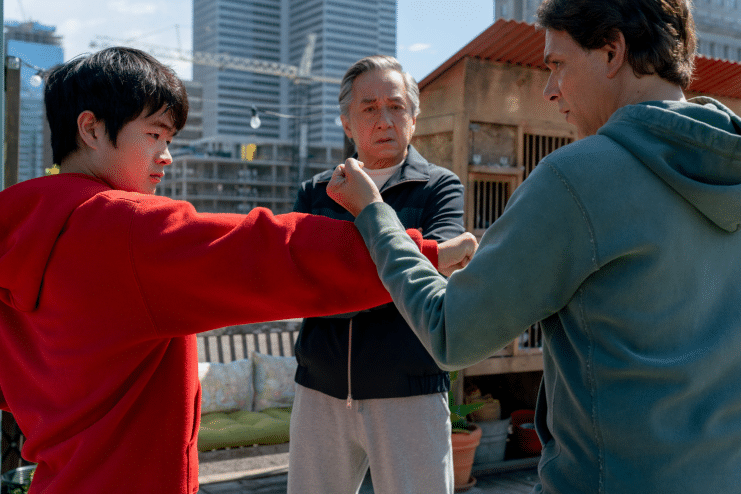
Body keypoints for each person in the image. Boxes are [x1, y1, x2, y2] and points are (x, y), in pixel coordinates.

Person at [0, 47, 476, 494]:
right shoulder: (126, 228)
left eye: (169, 139)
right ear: (91, 129)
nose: (166, 156)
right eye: (154, 135)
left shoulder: (15, 231)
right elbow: (274, 253)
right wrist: (424, 252)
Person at [326, 0, 741, 492]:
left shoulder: (579, 177)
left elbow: (452, 331)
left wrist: (375, 215)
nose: (549, 90)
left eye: (557, 64)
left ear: (612, 52)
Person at [286, 55, 465, 494]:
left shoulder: (440, 188)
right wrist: (411, 262)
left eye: (396, 106)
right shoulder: (316, 192)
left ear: (414, 119)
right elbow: (303, 282)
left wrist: (342, 273)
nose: (384, 119)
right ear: (347, 123)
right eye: (369, 108)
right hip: (320, 390)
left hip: (411, 389)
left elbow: (430, 280)